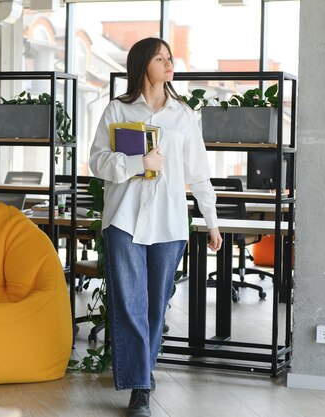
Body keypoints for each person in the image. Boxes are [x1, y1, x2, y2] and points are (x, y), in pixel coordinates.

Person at [89, 37, 222, 417]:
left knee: (155, 305)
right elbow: (98, 163)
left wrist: (211, 221)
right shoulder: (117, 109)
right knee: (129, 304)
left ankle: (142, 370)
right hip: (124, 221)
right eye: (160, 58)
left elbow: (199, 174)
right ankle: (140, 388)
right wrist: (139, 164)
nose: (169, 64)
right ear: (142, 64)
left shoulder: (183, 114)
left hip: (169, 223)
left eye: (170, 58)